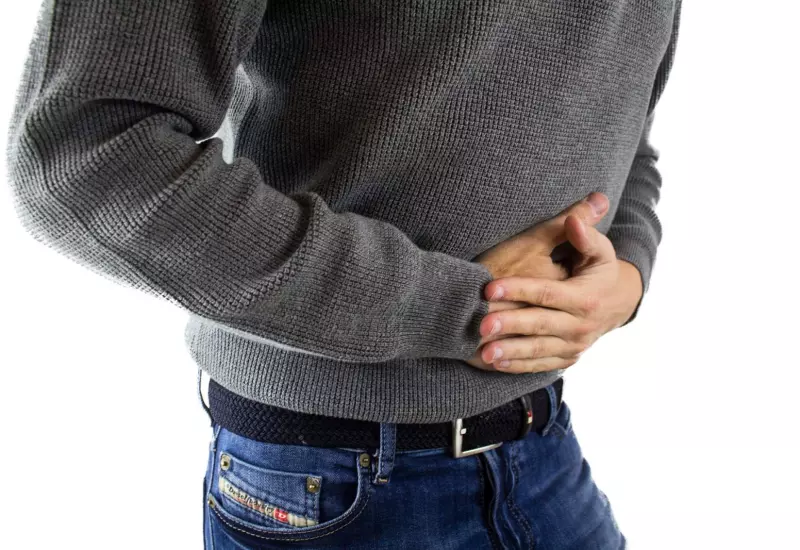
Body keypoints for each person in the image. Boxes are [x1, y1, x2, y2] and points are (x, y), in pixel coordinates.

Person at [6, 0, 681, 548]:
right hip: (333, 477)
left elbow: (623, 126)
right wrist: (466, 311)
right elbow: (87, 157)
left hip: (544, 450)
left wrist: (626, 272)